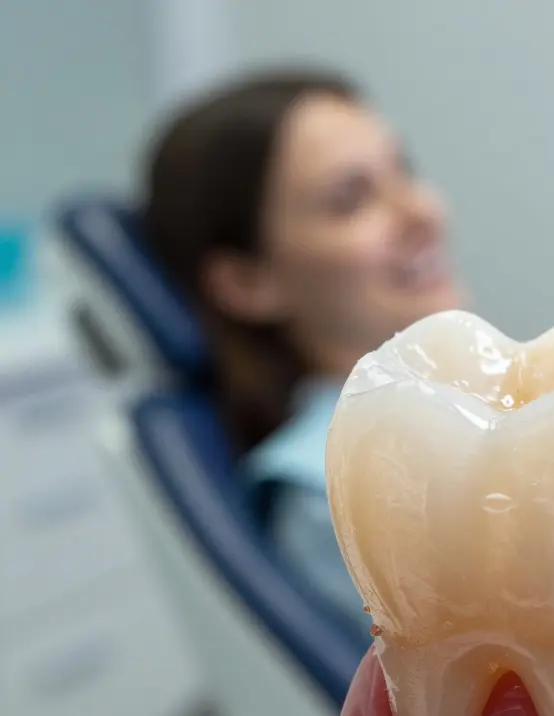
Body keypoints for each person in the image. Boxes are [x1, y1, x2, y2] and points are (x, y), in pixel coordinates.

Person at [142, 69, 466, 637]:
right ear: (247, 282)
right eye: (350, 199)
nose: (423, 213)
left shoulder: (470, 405)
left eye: (403, 171)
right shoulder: (339, 493)